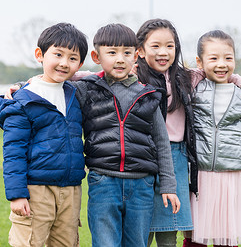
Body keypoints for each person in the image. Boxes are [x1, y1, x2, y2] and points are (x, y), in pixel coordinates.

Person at [135, 19, 241, 247]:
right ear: (140, 51)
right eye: (156, 46)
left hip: (178, 157)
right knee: (140, 225)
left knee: (170, 225)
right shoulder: (135, 76)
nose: (163, 52)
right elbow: (101, 74)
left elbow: (216, 71)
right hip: (144, 154)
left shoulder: (185, 77)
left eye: (170, 46)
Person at [73, 23, 180, 247]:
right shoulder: (86, 89)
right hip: (103, 181)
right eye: (112, 53)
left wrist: (169, 186)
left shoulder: (148, 95)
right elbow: (52, 81)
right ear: (97, 56)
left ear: (137, 55)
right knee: (105, 243)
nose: (120, 59)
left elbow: (161, 142)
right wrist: (23, 84)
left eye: (127, 53)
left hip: (141, 185)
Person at [0, 22, 89, 247]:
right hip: (36, 190)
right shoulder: (22, 99)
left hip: (70, 189)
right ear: (40, 54)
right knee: (30, 242)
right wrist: (17, 194)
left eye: (73, 58)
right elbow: (13, 152)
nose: (64, 63)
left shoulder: (75, 94)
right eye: (58, 54)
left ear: (81, 63)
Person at [183, 30, 241, 247]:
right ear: (199, 62)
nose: (222, 64)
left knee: (227, 237)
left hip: (233, 178)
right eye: (213, 58)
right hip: (199, 177)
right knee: (195, 236)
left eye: (228, 58)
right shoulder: (193, 89)